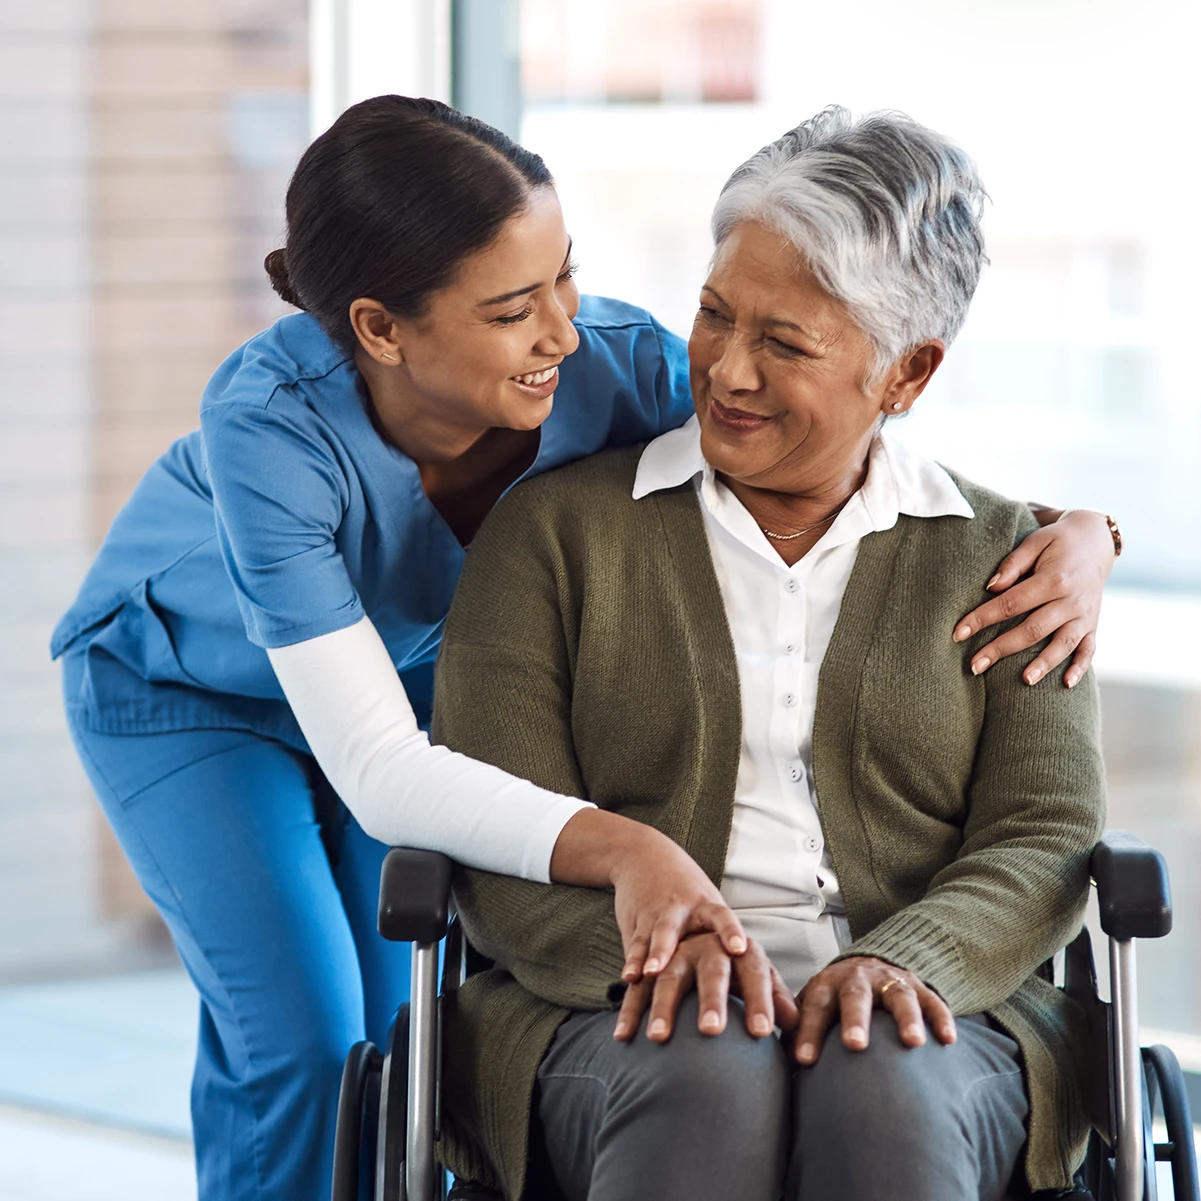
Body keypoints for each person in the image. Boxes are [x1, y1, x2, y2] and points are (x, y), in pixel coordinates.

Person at [50, 98, 1112, 1201]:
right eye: (515, 308)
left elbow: (868, 485)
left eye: (567, 278)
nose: (562, 330)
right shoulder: (272, 427)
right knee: (307, 1041)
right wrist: (632, 860)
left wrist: (1079, 536)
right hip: (193, 695)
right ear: (381, 329)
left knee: (387, 1036)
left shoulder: (617, 367)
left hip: (398, 679)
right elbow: (384, 774)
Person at [431, 108, 1107, 1201]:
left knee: (878, 1072)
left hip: (937, 1018)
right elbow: (501, 819)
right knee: (705, 1061)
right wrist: (661, 966)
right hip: (608, 1009)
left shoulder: (1010, 566)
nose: (727, 371)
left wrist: (903, 961)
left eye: (784, 343)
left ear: (906, 374)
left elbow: (1043, 832)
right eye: (712, 315)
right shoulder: (554, 535)